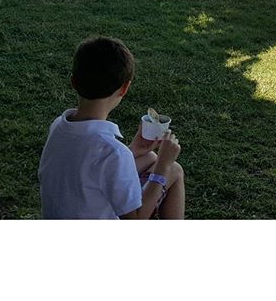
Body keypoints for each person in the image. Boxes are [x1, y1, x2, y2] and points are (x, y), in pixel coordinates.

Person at [38, 36, 185, 219]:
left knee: (148, 156)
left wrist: (133, 150)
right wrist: (163, 165)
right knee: (173, 169)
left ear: (73, 81)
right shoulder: (113, 153)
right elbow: (135, 219)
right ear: (124, 89)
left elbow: (90, 169)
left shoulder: (59, 126)